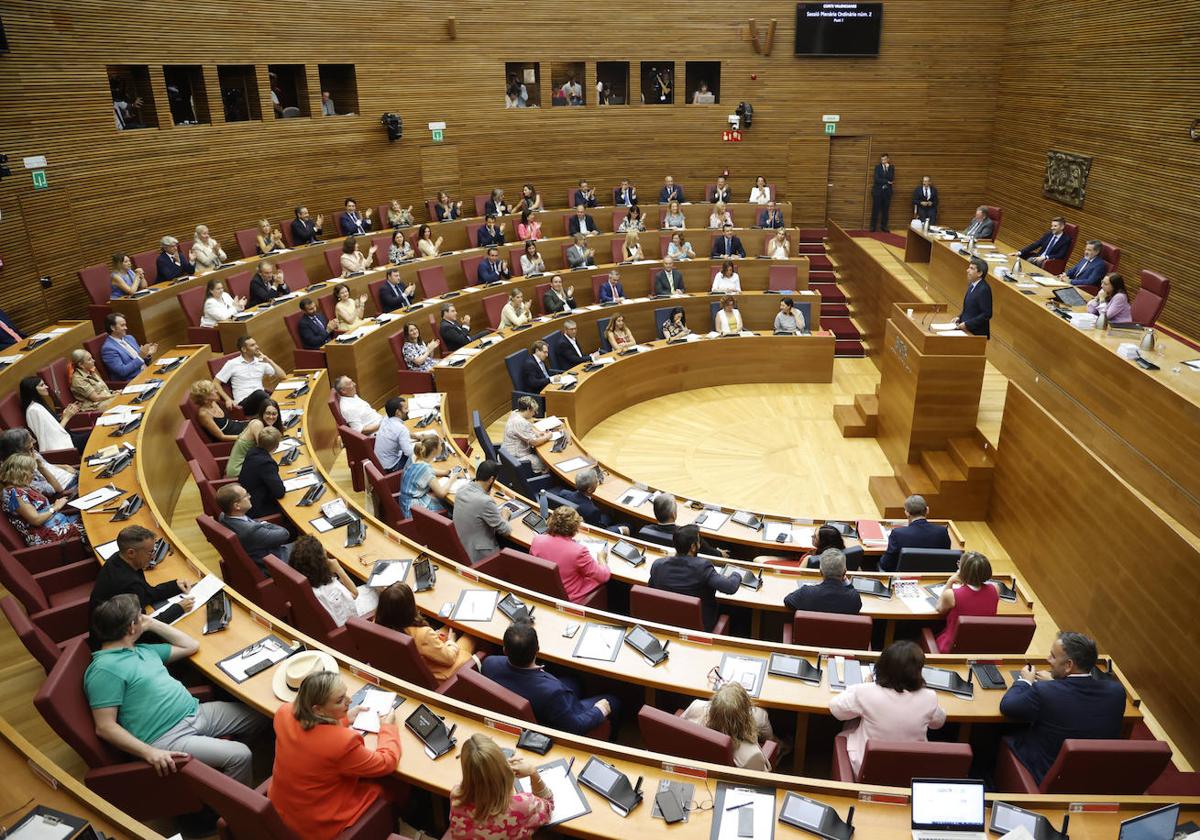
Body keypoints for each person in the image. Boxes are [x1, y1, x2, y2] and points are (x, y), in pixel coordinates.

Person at [86, 594, 266, 785]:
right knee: (240, 755)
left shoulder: (141, 650)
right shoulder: (104, 669)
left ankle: (214, 775)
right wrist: (149, 752)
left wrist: (153, 623)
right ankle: (233, 807)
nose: (144, 617)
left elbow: (191, 646)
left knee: (262, 716)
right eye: (141, 616)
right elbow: (105, 727)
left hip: (195, 712)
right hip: (167, 736)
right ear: (131, 627)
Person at [269, 670, 402, 840]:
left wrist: (344, 718)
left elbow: (312, 734)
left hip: (283, 811)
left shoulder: (283, 712)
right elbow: (387, 762)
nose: (350, 700)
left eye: (345, 694)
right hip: (318, 825)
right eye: (340, 701)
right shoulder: (343, 743)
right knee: (390, 787)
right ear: (318, 709)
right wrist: (388, 728)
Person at [999, 631, 1127, 784]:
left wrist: (1025, 681)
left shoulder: (1045, 691)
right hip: (1093, 775)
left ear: (1069, 665)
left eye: (1053, 656)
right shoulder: (1117, 692)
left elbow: (1008, 706)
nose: (1048, 659)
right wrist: (1055, 682)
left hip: (1047, 772)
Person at [829, 640, 947, 777]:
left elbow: (836, 709)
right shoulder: (929, 697)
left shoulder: (866, 692)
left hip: (867, 768)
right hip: (911, 770)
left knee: (850, 723)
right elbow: (938, 722)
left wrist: (862, 687)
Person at [481, 621, 618, 736]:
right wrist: (600, 711)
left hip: (537, 700)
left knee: (575, 681)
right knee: (613, 700)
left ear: (504, 650)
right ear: (538, 650)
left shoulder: (489, 663)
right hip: (555, 714)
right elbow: (574, 727)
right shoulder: (553, 693)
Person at [449, 734, 553, 840]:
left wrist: (493, 768)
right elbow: (549, 808)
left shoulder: (456, 796)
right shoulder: (523, 804)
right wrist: (533, 773)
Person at [649, 525, 740, 632]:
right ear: (693, 547)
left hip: (665, 624)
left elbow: (651, 591)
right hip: (699, 630)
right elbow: (730, 587)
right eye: (698, 541)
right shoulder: (702, 567)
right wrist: (737, 573)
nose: (700, 544)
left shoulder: (658, 565)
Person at [377, 582, 475, 680]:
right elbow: (449, 658)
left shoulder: (378, 626)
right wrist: (451, 641)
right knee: (472, 633)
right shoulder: (423, 635)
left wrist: (434, 638)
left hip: (407, 670)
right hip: (439, 675)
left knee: (450, 625)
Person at [89, 524, 191, 615]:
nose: (153, 557)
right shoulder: (127, 584)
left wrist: (175, 586)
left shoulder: (120, 559)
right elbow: (142, 628)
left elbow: (147, 593)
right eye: (150, 552)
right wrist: (178, 609)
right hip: (114, 634)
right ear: (131, 553)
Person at [682, 682, 775, 770]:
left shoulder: (695, 706)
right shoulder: (752, 756)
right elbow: (761, 780)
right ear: (747, 712)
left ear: (712, 705)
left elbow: (679, 727)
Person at [289, 535, 378, 624]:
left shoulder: (302, 581)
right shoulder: (333, 590)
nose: (326, 552)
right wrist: (338, 569)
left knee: (371, 586)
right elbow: (354, 594)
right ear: (321, 563)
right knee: (381, 591)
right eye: (324, 553)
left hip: (333, 612)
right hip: (355, 619)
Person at [531, 506, 610, 604]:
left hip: (544, 590)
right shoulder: (579, 551)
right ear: (575, 528)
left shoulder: (537, 540)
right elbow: (604, 576)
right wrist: (601, 559)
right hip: (568, 598)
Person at [1, 454, 84, 545]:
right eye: (31, 472)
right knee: (91, 526)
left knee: (89, 513)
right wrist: (55, 508)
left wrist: (53, 506)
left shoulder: (22, 487)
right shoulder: (14, 495)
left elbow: (40, 508)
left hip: (58, 522)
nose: (33, 476)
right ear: (21, 473)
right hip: (47, 534)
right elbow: (36, 520)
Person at [933, 551, 999, 652]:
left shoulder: (952, 595)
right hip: (982, 647)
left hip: (951, 648)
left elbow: (939, 608)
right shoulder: (996, 589)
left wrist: (950, 581)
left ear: (961, 571)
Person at [216, 483, 292, 570]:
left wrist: (262, 524)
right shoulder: (250, 531)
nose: (250, 496)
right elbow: (285, 534)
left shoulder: (223, 517)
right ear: (237, 506)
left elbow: (256, 523)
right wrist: (264, 524)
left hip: (260, 552)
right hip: (275, 562)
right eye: (245, 495)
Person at [452, 460, 514, 565]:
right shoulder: (485, 501)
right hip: (481, 556)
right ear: (491, 480)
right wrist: (504, 515)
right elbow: (506, 530)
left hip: (462, 546)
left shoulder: (461, 490)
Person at [879, 494, 951, 572]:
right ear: (927, 510)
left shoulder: (897, 534)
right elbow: (945, 559)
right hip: (933, 577)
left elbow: (885, 564)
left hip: (904, 579)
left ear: (907, 512)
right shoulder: (942, 532)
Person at [217, 335, 284, 415]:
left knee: (264, 396)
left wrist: (269, 361)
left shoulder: (261, 362)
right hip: (244, 404)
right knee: (260, 394)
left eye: (256, 344)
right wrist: (227, 399)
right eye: (252, 345)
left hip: (262, 400)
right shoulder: (232, 364)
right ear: (244, 349)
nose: (257, 347)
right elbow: (215, 383)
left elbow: (282, 376)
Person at [0, 428, 77, 498]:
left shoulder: (31, 451)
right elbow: (56, 489)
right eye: (30, 441)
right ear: (20, 450)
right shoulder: (20, 472)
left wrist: (64, 467)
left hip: (72, 476)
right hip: (68, 488)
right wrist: (40, 467)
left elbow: (47, 465)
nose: (34, 441)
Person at [784, 548, 862, 615]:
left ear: (821, 572)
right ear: (844, 572)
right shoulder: (853, 598)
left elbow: (787, 601)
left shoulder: (805, 592)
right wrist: (848, 584)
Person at [20, 376, 86, 454]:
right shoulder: (34, 411)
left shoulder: (38, 405)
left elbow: (52, 427)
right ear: (32, 390)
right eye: (42, 385)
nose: (46, 387)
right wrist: (67, 417)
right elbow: (53, 436)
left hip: (69, 437)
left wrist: (64, 415)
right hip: (63, 446)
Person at [225, 398, 284, 478]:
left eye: (274, 414)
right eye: (268, 413)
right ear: (262, 413)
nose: (271, 417)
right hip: (238, 468)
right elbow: (264, 451)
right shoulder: (257, 424)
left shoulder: (265, 425)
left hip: (249, 464)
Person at [398, 434, 452, 517]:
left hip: (405, 503)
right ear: (435, 450)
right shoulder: (426, 469)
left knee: (441, 500)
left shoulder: (415, 457)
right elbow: (441, 493)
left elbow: (425, 471)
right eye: (441, 444)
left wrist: (446, 472)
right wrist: (453, 477)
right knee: (451, 510)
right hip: (414, 512)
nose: (442, 446)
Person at [239, 426, 286, 518]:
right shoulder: (266, 463)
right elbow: (279, 493)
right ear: (276, 446)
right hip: (258, 508)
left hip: (247, 499)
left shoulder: (252, 452)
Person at [559, 467, 620, 531]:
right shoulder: (592, 511)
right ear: (589, 490)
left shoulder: (563, 493)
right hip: (587, 526)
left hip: (567, 522)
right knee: (609, 513)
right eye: (596, 481)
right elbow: (596, 528)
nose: (598, 481)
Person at [102, 312, 157, 381]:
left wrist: (147, 354)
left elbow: (143, 361)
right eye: (122, 325)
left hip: (147, 372)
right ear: (112, 328)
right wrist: (141, 356)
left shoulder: (129, 338)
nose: (126, 328)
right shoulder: (108, 349)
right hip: (134, 380)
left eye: (125, 325)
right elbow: (122, 371)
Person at [502, 396, 552, 472]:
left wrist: (538, 433)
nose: (534, 414)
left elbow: (528, 427)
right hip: (516, 458)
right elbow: (534, 442)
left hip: (507, 455)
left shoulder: (515, 413)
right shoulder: (520, 422)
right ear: (528, 409)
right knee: (547, 463)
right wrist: (547, 437)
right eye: (534, 411)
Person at [374, 396, 416, 473]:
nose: (408, 410)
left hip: (380, 465)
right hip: (392, 468)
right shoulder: (401, 429)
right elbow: (409, 453)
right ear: (398, 412)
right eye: (405, 408)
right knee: (423, 458)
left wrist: (417, 437)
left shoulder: (385, 419)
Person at [954, 255, 993, 338]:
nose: (967, 270)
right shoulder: (972, 285)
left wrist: (967, 324)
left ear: (980, 273)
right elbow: (969, 309)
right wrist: (959, 317)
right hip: (966, 329)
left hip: (976, 333)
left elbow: (986, 314)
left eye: (971, 268)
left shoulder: (984, 289)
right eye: (969, 268)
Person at [869, 153, 895, 232]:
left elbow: (891, 178)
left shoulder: (891, 168)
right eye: (882, 160)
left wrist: (887, 170)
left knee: (885, 210)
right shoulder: (877, 167)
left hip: (887, 192)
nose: (883, 161)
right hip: (878, 192)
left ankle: (884, 226)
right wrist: (887, 181)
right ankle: (873, 227)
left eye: (884, 159)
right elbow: (877, 179)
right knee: (875, 209)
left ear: (888, 160)